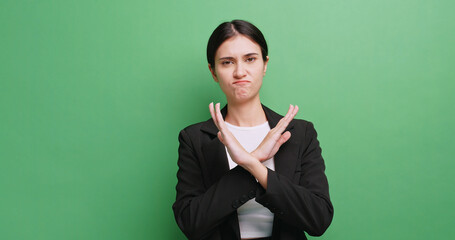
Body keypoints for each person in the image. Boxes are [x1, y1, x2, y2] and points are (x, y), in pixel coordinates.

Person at [172, 20, 333, 240]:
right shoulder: (194, 139)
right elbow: (191, 222)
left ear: (265, 64)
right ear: (213, 71)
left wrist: (254, 167)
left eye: (250, 59)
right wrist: (256, 157)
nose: (240, 72)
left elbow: (318, 219)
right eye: (227, 62)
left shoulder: (300, 134)